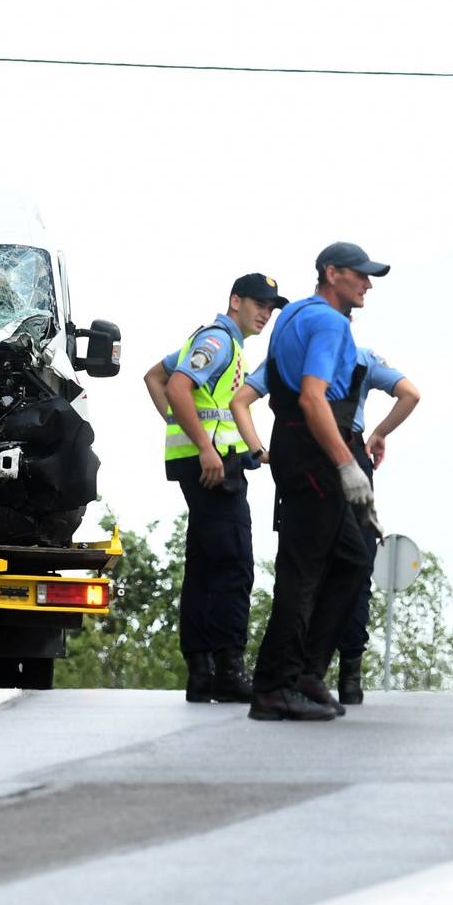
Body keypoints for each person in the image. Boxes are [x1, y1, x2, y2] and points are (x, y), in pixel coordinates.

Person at [248, 242, 389, 722]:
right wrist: (347, 466)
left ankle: (307, 670)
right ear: (332, 273)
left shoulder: (295, 316)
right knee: (303, 572)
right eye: (360, 275)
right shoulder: (329, 322)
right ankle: (274, 685)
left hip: (296, 446)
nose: (368, 284)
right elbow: (313, 399)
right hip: (314, 451)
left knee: (351, 559)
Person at [235, 346, 421, 704]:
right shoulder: (362, 358)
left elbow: (240, 401)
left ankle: (292, 671)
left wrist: (260, 452)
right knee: (356, 565)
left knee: (299, 569)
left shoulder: (286, 358)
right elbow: (410, 393)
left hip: (299, 455)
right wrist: (379, 433)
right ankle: (349, 677)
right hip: (349, 454)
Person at [143, 273, 287, 703]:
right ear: (235, 300)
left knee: (205, 565)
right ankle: (227, 670)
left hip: (212, 463)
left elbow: (154, 377)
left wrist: (192, 435)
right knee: (234, 566)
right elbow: (176, 387)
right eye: (259, 303)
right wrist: (204, 446)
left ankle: (202, 672)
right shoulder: (219, 340)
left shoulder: (218, 341)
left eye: (271, 307)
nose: (265, 313)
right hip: (213, 470)